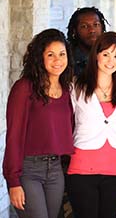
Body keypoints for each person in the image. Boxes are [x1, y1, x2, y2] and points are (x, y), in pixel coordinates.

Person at [3, 29, 74, 217]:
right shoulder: (24, 88)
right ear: (39, 57)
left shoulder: (67, 90)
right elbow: (14, 136)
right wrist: (13, 181)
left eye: (62, 54)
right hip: (28, 171)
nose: (57, 60)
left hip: (56, 171)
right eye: (50, 55)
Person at [67, 31, 116, 217]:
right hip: (82, 171)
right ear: (96, 55)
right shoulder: (76, 87)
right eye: (106, 54)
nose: (111, 60)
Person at [67, 6, 109, 75]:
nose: (92, 30)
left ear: (102, 28)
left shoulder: (110, 55)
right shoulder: (67, 59)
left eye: (96, 25)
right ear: (75, 31)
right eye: (84, 26)